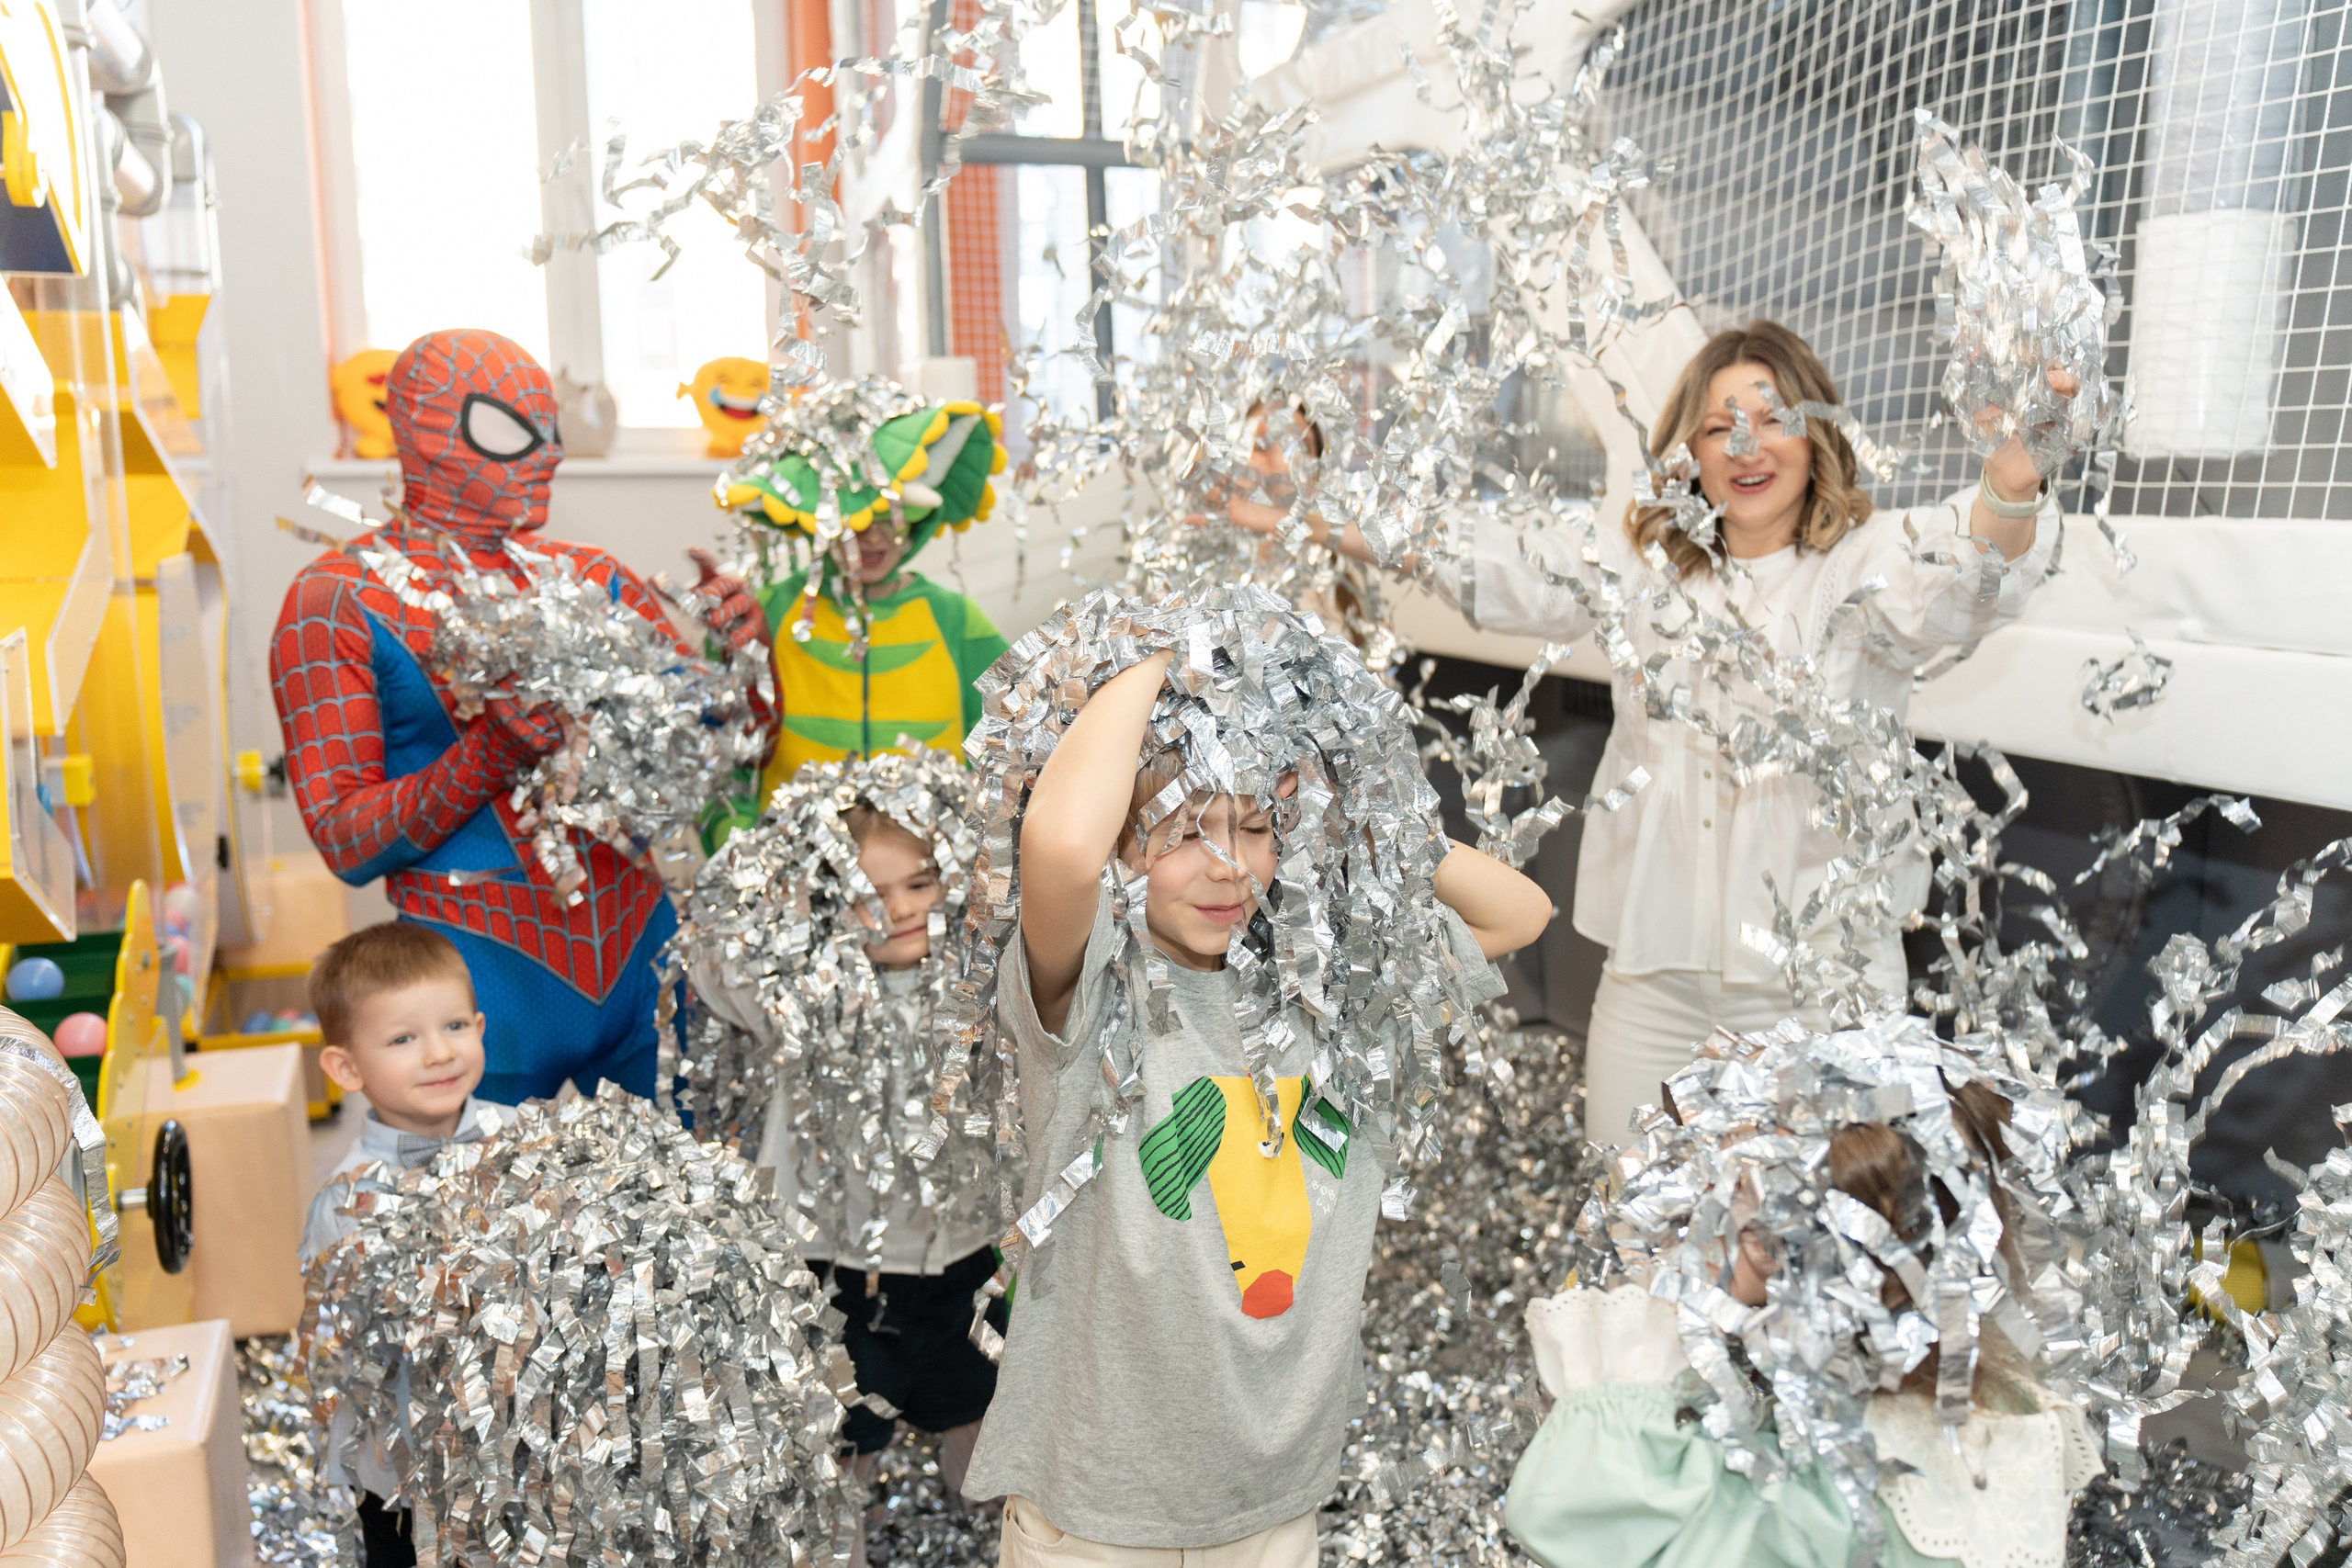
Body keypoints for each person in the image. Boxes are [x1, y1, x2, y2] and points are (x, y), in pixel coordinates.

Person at [1227, 321, 2065, 1144]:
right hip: (1656, 978)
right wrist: (1304, 512)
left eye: (1773, 419)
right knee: (1628, 1216)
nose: (1746, 445)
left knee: (1826, 1245)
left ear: (1816, 437)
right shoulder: (1645, 570)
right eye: (1717, 426)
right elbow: (1481, 559)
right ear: (1687, 456)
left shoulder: (1858, 567)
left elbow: (1961, 579)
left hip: (1822, 990)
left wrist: (2008, 482)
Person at [962, 637, 1553, 1564]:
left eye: (1254, 828)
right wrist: (1167, 649)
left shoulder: (1335, 997)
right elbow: (1061, 848)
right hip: (1099, 1512)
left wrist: (1359, 812)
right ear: (1125, 849)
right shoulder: (1092, 998)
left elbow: (1518, 914)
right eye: (1186, 829)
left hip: (1273, 1504)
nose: (1228, 865)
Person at [269, 327, 770, 1105]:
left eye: (553, 428)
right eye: (510, 428)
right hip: (471, 991)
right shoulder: (338, 599)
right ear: (425, 430)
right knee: (482, 1220)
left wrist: (747, 667)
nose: (548, 453)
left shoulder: (591, 576)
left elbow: (733, 759)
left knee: (706, 1198)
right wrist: (484, 754)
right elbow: (344, 837)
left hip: (643, 960)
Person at [1502, 1079, 2101, 1568]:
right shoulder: (1977, 1394)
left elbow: (1575, 1519)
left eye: (1719, 1197)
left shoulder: (1825, 1489)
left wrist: (1660, 1318)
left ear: (1771, 1251)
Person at [673, 750, 1003, 1567]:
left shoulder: (985, 985)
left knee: (996, 1449)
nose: (894, 909)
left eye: (918, 884)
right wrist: (767, 873)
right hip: (837, 1286)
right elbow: (710, 962)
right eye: (864, 892)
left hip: (963, 1274)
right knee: (834, 1474)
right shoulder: (799, 991)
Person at [300, 922, 505, 1568]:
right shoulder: (347, 1204)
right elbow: (372, 1345)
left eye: (454, 1027)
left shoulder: (526, 1136)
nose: (439, 1053)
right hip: (406, 1471)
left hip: (518, 1455)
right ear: (346, 1067)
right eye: (402, 1038)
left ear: (480, 1026)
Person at [714, 395, 1010, 836]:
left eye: (890, 517)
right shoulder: (769, 611)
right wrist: (731, 835)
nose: (874, 537)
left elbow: (1009, 747)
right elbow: (721, 745)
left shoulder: (954, 617)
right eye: (857, 518)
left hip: (929, 864)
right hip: (795, 855)